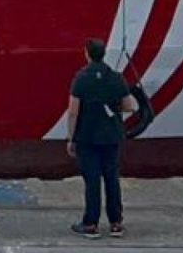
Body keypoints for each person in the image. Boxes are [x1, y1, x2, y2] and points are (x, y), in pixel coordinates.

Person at [66, 37, 138, 238]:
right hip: (112, 135)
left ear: (87, 54)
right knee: (112, 179)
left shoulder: (81, 78)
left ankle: (90, 224)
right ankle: (116, 223)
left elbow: (73, 111)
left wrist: (71, 138)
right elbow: (131, 105)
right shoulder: (115, 77)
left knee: (92, 180)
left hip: (87, 136)